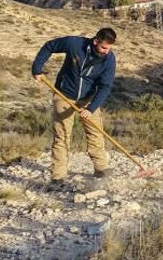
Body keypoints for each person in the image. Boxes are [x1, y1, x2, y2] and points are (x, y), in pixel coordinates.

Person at [31, 28, 117, 187]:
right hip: (63, 95)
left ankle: (101, 169)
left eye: (110, 48)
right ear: (96, 41)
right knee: (62, 136)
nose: (106, 51)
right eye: (104, 47)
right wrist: (37, 69)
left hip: (88, 100)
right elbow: (50, 46)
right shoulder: (75, 44)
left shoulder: (109, 59)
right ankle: (58, 177)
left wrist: (91, 108)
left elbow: (105, 87)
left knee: (95, 133)